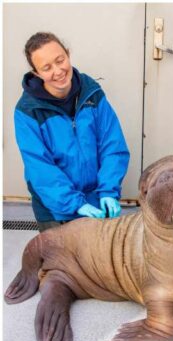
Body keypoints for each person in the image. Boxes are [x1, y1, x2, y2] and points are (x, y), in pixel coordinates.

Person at [14, 32, 129, 232]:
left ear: (68, 54)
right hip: (56, 209)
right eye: (46, 68)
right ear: (37, 74)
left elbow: (113, 145)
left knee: (98, 262)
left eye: (60, 60)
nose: (58, 71)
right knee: (62, 262)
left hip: (97, 201)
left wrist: (109, 191)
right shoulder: (27, 112)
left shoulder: (92, 94)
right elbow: (41, 169)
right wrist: (75, 204)